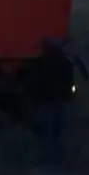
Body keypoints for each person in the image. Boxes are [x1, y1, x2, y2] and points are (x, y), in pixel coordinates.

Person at [30, 37, 76, 165]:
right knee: (56, 130)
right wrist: (70, 96)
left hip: (49, 100)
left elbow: (37, 83)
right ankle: (55, 156)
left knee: (48, 130)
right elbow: (69, 83)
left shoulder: (42, 63)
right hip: (58, 100)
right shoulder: (65, 63)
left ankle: (49, 157)